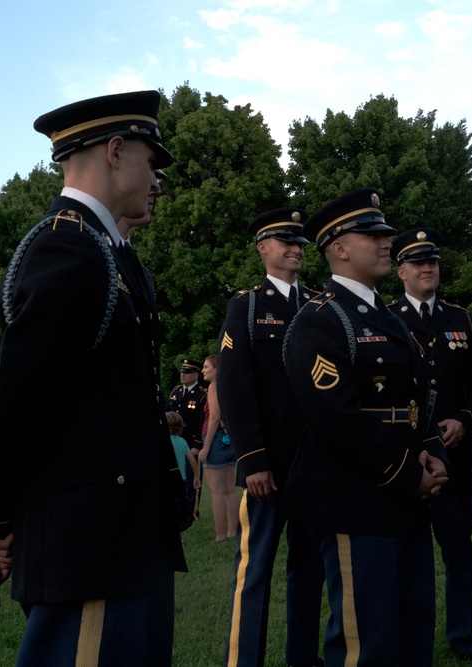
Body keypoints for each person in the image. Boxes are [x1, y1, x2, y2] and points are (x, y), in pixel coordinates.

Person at [0, 90, 188, 665]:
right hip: (90, 546)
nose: (157, 178)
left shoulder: (111, 253)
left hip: (123, 537)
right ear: (115, 150)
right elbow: (19, 401)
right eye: (149, 160)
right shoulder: (70, 247)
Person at [283, 188, 448, 667]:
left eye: (385, 232)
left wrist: (433, 450)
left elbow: (417, 397)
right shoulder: (319, 319)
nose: (386, 241)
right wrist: (406, 470)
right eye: (371, 233)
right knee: (366, 641)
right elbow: (335, 419)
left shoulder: (389, 318)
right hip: (355, 499)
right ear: (338, 247)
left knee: (413, 628)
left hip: (405, 498)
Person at [217, 208, 325, 667]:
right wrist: (253, 459)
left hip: (314, 467)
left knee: (310, 571)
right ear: (263, 248)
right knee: (255, 570)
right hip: (269, 468)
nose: (296, 248)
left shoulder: (319, 304)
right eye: (285, 241)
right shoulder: (247, 306)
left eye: (300, 242)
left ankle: (303, 658)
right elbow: (234, 386)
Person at [386, 228, 472, 665]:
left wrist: (465, 421)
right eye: (417, 262)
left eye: (432, 261)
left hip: (456, 462)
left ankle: (464, 639)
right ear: (401, 271)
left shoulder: (461, 320)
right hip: (404, 461)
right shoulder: (385, 317)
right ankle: (401, 637)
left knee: (459, 558)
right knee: (403, 558)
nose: (428, 268)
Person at [199, 354, 239, 542]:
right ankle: (232, 531)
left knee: (217, 491)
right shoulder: (230, 386)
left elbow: (214, 416)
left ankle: (220, 534)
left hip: (215, 441)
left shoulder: (214, 387)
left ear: (216, 369)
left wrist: (205, 448)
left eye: (206, 367)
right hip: (230, 440)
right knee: (230, 490)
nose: (203, 371)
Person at [167, 359, 206, 454]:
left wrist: (197, 445)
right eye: (182, 372)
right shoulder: (176, 391)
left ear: (196, 375)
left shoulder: (202, 395)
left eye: (187, 372)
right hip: (172, 439)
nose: (182, 375)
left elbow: (202, 421)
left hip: (190, 442)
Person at [167, 411, 201, 516]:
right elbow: (192, 461)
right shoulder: (183, 441)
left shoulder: (164, 441)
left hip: (168, 478)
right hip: (181, 479)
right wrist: (196, 477)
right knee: (179, 503)